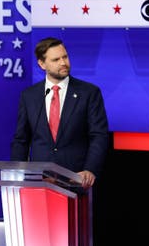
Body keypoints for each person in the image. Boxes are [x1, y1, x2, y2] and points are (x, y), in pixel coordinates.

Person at [10, 37, 109, 188]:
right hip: (40, 181)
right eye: (56, 59)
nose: (63, 63)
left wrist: (90, 169)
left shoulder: (89, 93)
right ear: (42, 64)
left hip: (77, 179)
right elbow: (21, 140)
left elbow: (99, 135)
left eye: (65, 57)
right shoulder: (29, 96)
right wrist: (16, 174)